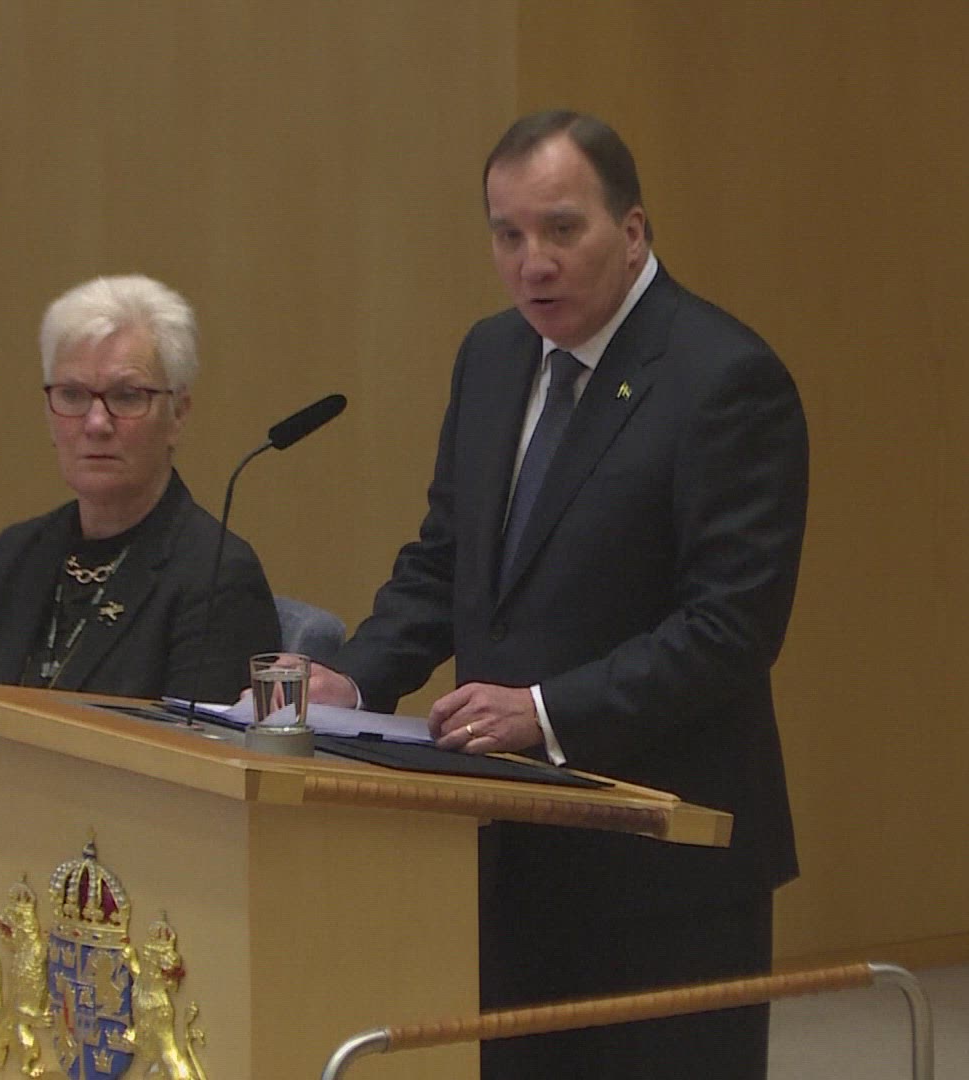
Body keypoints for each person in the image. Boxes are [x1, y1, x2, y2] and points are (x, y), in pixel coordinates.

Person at [310, 111, 808, 1077]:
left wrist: (544, 712)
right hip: (507, 850)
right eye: (508, 234)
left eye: (561, 229)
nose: (532, 262)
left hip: (664, 863)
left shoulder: (725, 378)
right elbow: (447, 558)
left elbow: (730, 627)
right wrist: (355, 680)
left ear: (632, 232)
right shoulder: (493, 355)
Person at [0, 274, 280, 834]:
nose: (96, 424)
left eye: (127, 396)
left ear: (178, 415)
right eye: (73, 396)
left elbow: (199, 801)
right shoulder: (15, 556)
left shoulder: (216, 575)